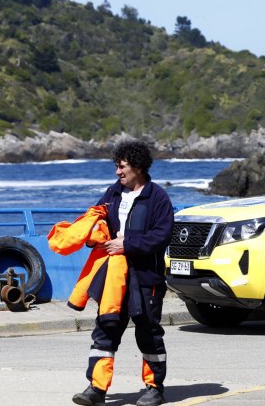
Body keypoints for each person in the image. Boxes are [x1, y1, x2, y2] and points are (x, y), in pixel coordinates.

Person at [72, 140, 174, 406]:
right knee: (105, 329)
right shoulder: (112, 193)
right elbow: (96, 218)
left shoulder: (158, 198)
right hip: (113, 277)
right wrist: (91, 234)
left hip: (146, 278)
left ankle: (154, 388)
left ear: (137, 167)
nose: (117, 172)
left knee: (148, 332)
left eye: (122, 166)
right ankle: (96, 389)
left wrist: (126, 244)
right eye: (117, 166)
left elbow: (161, 236)